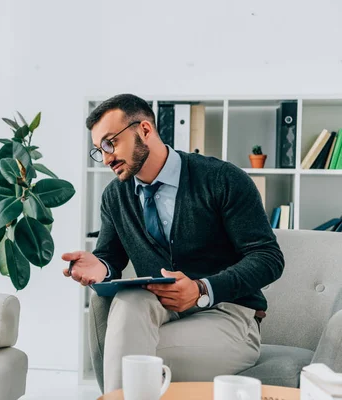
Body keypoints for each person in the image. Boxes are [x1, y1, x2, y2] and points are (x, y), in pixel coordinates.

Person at [62, 94, 285, 393]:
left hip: (227, 314)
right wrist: (99, 267)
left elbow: (268, 257)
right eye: (98, 150)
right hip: (157, 313)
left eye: (109, 143)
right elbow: (109, 258)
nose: (106, 158)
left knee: (129, 359)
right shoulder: (115, 196)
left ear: (144, 129)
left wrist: (202, 289)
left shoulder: (222, 179)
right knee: (130, 302)